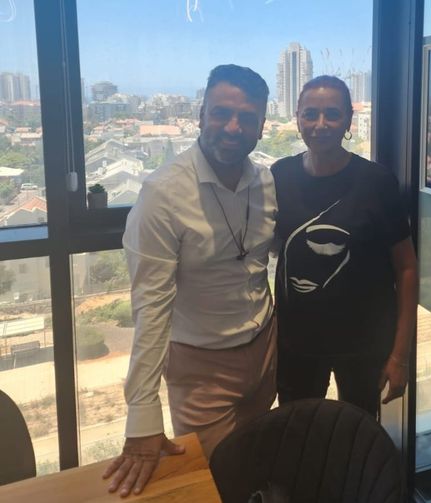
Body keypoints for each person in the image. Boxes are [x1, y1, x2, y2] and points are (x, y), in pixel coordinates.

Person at [103, 64, 277, 497]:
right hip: (202, 368)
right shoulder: (162, 195)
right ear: (200, 115)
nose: (233, 127)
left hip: (266, 349)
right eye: (221, 113)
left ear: (261, 126)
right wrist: (142, 418)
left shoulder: (266, 181)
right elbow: (151, 308)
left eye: (247, 118)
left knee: (259, 464)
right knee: (216, 481)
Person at [272, 75, 418, 417]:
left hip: (364, 344)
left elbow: (406, 268)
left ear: (348, 120)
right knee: (298, 433)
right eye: (310, 114)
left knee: (358, 435)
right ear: (297, 118)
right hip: (297, 343)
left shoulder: (376, 182)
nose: (320, 124)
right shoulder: (279, 176)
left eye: (332, 114)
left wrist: (400, 356)